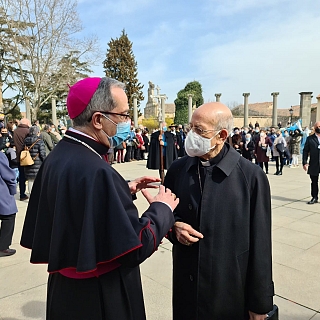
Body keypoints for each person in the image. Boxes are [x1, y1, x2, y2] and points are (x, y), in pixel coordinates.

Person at [20, 77, 179, 320]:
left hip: (64, 292)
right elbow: (134, 247)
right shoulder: (98, 169)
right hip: (101, 294)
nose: (128, 122)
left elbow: (76, 203)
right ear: (98, 119)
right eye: (123, 115)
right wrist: (161, 209)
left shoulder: (58, 156)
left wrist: (122, 190)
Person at [164, 102, 274, 320]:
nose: (191, 134)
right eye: (191, 127)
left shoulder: (251, 177)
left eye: (199, 130)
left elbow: (261, 244)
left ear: (222, 135)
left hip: (228, 292)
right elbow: (166, 211)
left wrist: (260, 303)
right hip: (187, 285)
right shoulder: (178, 169)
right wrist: (174, 225)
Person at [0, 152, 18, 257]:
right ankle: (3, 247)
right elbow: (8, 175)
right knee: (9, 216)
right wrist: (12, 189)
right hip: (2, 191)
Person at [23, 126, 46, 193]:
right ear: (37, 132)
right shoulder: (39, 141)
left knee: (30, 181)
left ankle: (31, 196)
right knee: (38, 180)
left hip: (28, 162)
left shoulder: (26, 141)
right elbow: (42, 154)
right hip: (38, 163)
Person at [303, 121, 320, 204]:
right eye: (318, 126)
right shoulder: (310, 138)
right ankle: (314, 197)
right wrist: (304, 162)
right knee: (314, 181)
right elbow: (305, 151)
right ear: (315, 127)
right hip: (314, 163)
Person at [13, 118, 30, 201]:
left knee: (21, 177)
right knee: (30, 176)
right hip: (28, 157)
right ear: (26, 123)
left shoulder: (15, 131)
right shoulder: (27, 131)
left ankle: (22, 194)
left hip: (19, 156)